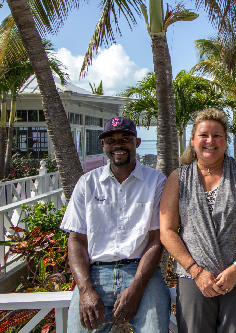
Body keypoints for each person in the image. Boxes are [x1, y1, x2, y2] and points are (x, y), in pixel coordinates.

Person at [159, 108, 236, 333]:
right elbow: (167, 230)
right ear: (192, 141)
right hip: (193, 278)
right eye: (203, 135)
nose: (210, 140)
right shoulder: (178, 178)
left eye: (217, 135)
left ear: (226, 140)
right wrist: (196, 271)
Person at [61, 117, 171, 332]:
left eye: (125, 138)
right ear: (103, 145)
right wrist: (85, 290)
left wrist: (137, 288)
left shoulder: (156, 181)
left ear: (137, 143)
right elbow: (76, 240)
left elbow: (156, 239)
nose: (118, 145)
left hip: (142, 273)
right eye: (110, 140)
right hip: (95, 273)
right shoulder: (87, 183)